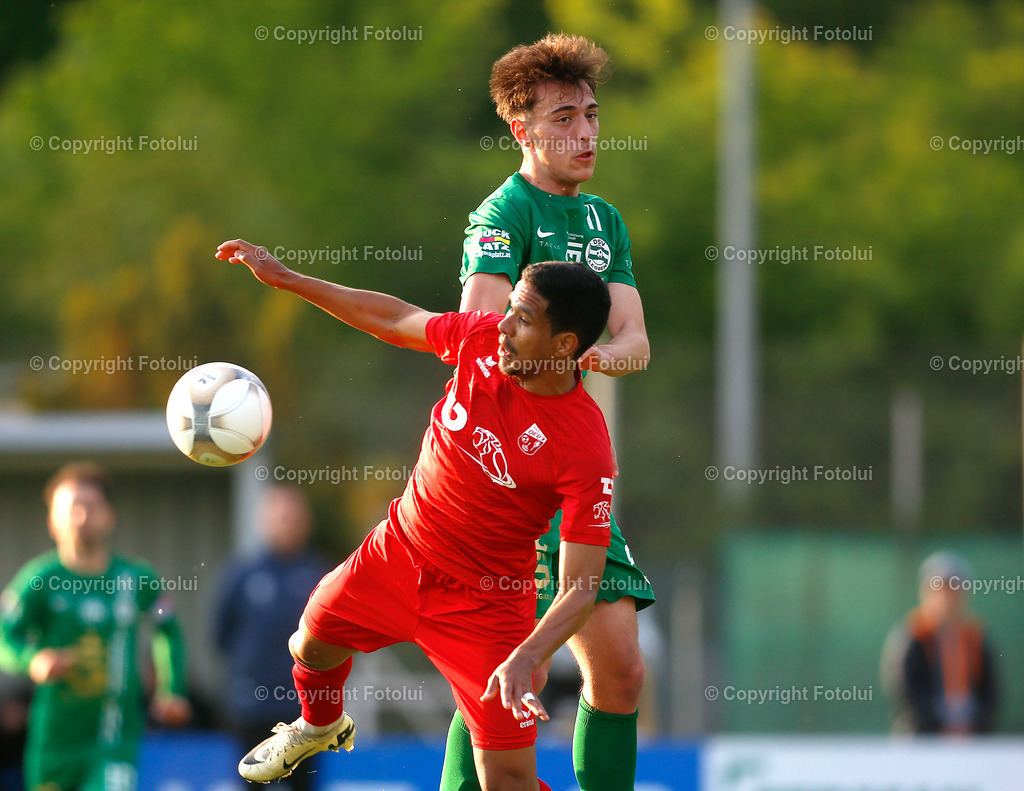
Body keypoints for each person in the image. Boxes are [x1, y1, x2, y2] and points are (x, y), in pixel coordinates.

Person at [216, 239, 617, 791]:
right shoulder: (481, 341)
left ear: (564, 343)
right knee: (310, 642)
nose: (502, 326)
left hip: (486, 604)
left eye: (522, 319)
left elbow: (581, 586)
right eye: (508, 311)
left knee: (505, 779)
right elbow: (394, 316)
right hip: (399, 553)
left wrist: (527, 655)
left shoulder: (585, 445)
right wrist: (289, 280)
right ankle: (321, 724)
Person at [448, 33, 655, 791]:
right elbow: (480, 334)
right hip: (505, 472)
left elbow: (633, 339)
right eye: (564, 118)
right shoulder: (503, 213)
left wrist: (596, 355)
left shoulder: (604, 221)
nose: (586, 133)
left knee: (623, 670)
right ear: (522, 130)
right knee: (496, 665)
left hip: (566, 466)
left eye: (592, 115)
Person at [0, 462, 191, 791]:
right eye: (71, 508)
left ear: (109, 516)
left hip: (114, 741)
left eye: (90, 507)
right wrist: (32, 659)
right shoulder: (38, 580)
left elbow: (168, 629)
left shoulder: (137, 578)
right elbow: (5, 634)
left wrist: (170, 690)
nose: (81, 518)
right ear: (52, 521)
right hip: (53, 743)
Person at [211, 484, 332, 791]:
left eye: (293, 516)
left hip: (306, 711)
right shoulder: (242, 573)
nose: (287, 523)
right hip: (252, 708)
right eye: (280, 516)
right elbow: (220, 635)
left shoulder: (320, 574)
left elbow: (337, 638)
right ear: (264, 521)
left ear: (306, 522)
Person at [880, 551, 998, 734]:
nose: (948, 599)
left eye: (955, 591)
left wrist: (972, 725)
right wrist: (941, 725)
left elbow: (991, 693)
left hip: (971, 743)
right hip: (922, 742)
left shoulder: (976, 636)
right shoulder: (912, 635)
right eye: (941, 590)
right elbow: (905, 694)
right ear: (926, 592)